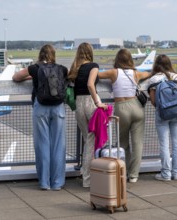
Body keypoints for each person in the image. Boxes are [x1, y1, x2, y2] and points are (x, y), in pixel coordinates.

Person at [12, 44, 68, 190]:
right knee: (58, 146)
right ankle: (57, 183)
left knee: (42, 144)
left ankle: (44, 182)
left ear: (40, 55)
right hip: (58, 108)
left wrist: (33, 76)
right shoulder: (62, 69)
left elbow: (16, 77)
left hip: (41, 108)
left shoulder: (35, 68)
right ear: (53, 55)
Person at [98, 49, 150, 183]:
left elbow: (96, 75)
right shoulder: (135, 73)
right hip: (137, 106)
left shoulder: (114, 72)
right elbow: (147, 74)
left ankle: (124, 171)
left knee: (123, 143)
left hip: (122, 107)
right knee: (138, 143)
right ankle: (134, 175)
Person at [68, 42, 108, 188]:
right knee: (92, 141)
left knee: (88, 140)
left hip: (79, 104)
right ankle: (88, 179)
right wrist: (98, 102)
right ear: (90, 52)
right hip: (90, 102)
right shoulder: (93, 66)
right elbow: (91, 85)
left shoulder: (75, 69)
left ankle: (86, 174)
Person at [147, 54, 177, 181]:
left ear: (156, 65)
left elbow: (153, 101)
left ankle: (166, 173)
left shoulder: (154, 80)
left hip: (162, 114)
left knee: (164, 144)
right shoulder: (176, 77)